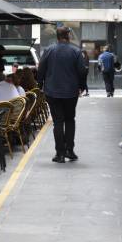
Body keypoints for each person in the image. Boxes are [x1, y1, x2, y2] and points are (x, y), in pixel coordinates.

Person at [36, 27, 87, 163]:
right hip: (71, 92)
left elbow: (41, 70)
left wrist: (40, 85)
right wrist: (82, 86)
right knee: (70, 120)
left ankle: (60, 154)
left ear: (57, 36)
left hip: (52, 92)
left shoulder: (49, 50)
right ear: (68, 35)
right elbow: (82, 71)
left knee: (58, 122)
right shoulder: (76, 51)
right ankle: (70, 150)